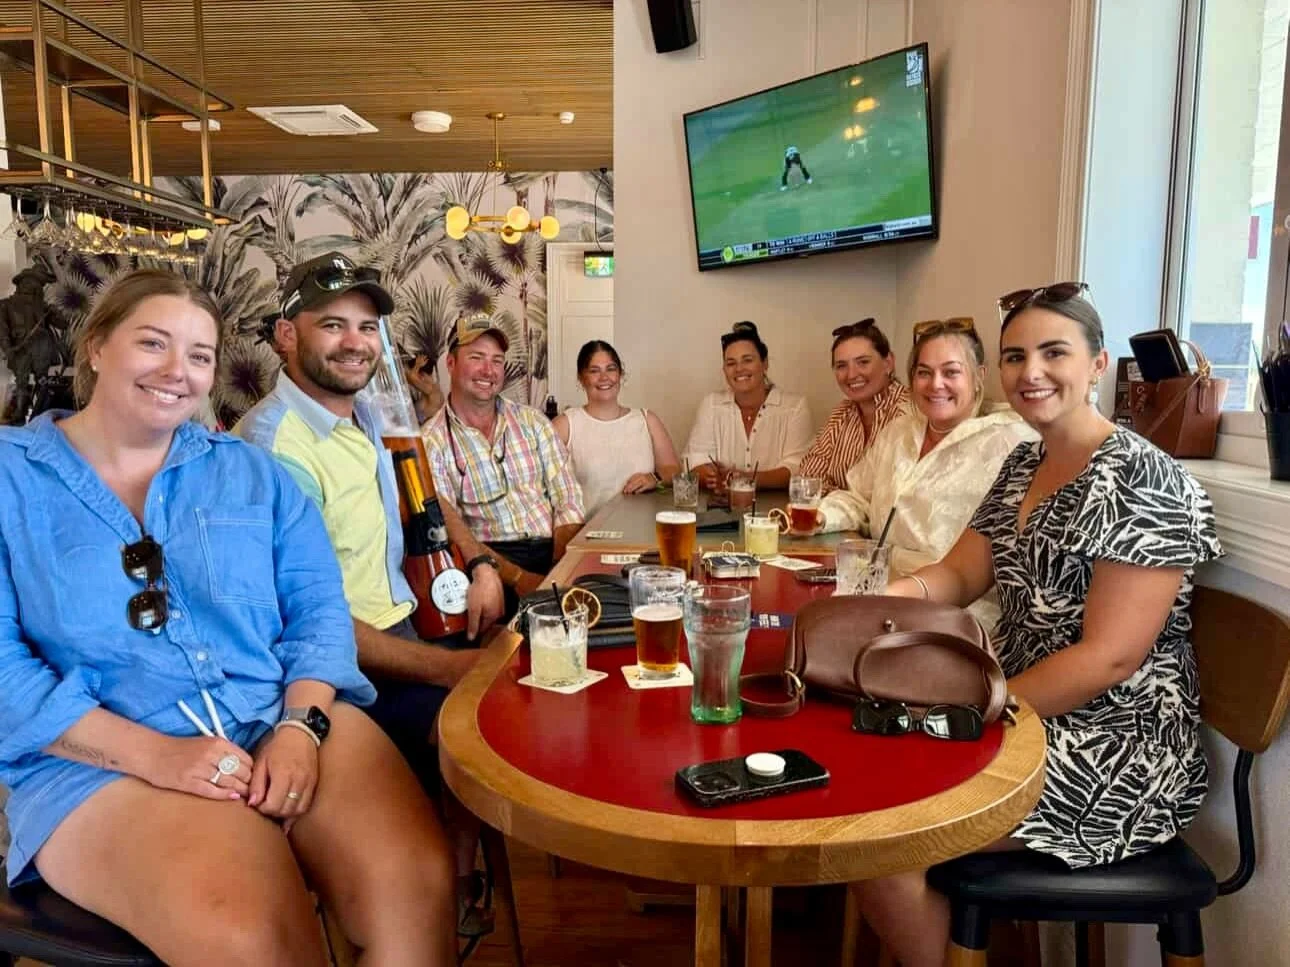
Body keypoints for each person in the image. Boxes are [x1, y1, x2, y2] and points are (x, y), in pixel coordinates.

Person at [0, 269, 456, 965]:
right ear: (96, 346)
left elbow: (317, 612)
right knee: (255, 935)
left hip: (277, 711)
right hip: (101, 763)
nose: (176, 372)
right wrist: (159, 755)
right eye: (152, 343)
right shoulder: (11, 478)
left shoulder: (251, 472)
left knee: (415, 886)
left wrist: (302, 725)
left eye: (199, 355)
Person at [849, 285, 1221, 967]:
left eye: (1055, 352)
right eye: (1016, 355)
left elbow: (1106, 658)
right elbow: (958, 575)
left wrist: (977, 710)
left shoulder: (1145, 480)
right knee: (869, 791)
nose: (1032, 372)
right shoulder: (1024, 464)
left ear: (1098, 363)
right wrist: (875, 606)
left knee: (882, 843)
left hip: (1120, 750)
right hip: (1024, 719)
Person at [234, 253, 506, 937]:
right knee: (477, 719)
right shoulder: (277, 446)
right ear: (286, 335)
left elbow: (428, 494)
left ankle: (455, 883)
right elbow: (312, 621)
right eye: (333, 324)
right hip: (340, 673)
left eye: (365, 325)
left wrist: (482, 566)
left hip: (406, 625)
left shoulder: (364, 416)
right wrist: (453, 668)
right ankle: (429, 899)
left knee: (515, 690)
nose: (356, 341)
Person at [816, 318, 1035, 591]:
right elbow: (859, 496)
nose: (936, 384)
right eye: (924, 373)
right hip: (874, 584)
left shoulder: (1010, 442)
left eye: (951, 372)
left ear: (979, 375)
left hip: (954, 604)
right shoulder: (899, 432)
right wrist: (821, 516)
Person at [423, 314, 585, 609]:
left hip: (555, 552)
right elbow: (450, 531)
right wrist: (519, 578)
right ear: (451, 363)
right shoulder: (432, 442)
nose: (489, 370)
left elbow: (567, 496)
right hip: (490, 564)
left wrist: (559, 568)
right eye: (477, 357)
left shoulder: (533, 422)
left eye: (497, 360)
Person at [552, 339, 681, 517]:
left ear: (620, 374)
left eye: (611, 369)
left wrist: (654, 478)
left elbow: (673, 469)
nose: (604, 378)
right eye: (594, 371)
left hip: (642, 532)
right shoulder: (566, 424)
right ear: (581, 378)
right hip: (586, 536)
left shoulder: (646, 419)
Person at [684, 321, 813, 492]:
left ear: (765, 363)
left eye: (747, 360)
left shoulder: (795, 407)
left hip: (775, 509)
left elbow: (797, 468)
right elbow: (695, 461)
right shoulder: (711, 405)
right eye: (731, 363)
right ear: (724, 370)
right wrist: (713, 478)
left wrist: (745, 479)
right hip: (722, 508)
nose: (739, 369)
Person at [796, 318, 911, 492]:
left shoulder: (909, 410)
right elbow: (807, 480)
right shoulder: (842, 413)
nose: (851, 375)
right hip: (838, 517)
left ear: (888, 363)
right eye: (841, 366)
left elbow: (893, 494)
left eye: (863, 362)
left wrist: (839, 498)